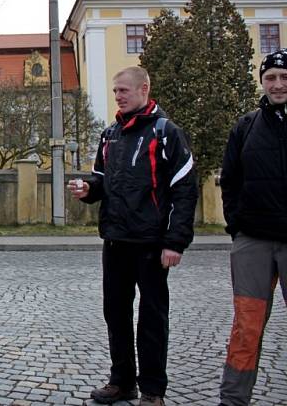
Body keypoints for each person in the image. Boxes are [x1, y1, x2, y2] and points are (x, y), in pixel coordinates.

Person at [67, 66, 197, 406]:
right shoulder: (110, 134)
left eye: (124, 90)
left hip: (152, 244)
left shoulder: (166, 132)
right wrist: (87, 188)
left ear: (143, 89)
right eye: (115, 92)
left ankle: (152, 390)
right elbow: (101, 180)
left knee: (152, 318)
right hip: (115, 240)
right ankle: (122, 382)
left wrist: (175, 241)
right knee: (116, 314)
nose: (119, 96)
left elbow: (185, 190)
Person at [218, 49, 287, 406]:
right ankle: (233, 400)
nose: (277, 84)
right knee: (247, 327)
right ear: (262, 82)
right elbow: (229, 181)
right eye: (271, 77)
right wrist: (237, 226)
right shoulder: (245, 126)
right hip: (253, 241)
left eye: (284, 77)